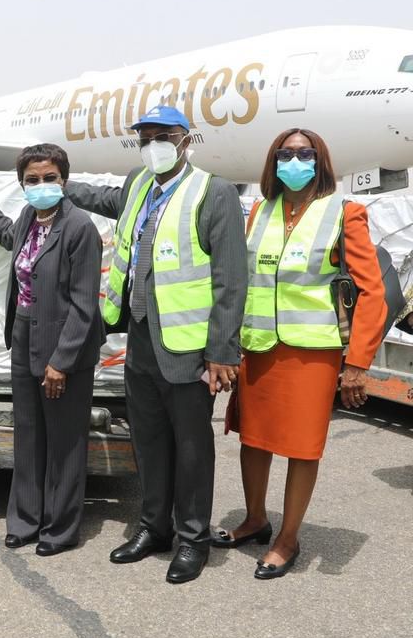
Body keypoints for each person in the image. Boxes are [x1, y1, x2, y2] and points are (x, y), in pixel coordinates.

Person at [62, 104, 247, 583]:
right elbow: (103, 198)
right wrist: (55, 183)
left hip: (187, 345)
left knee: (190, 446)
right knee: (147, 440)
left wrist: (222, 352)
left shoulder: (213, 192)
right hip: (141, 337)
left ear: (187, 139)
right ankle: (153, 527)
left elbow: (231, 279)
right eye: (144, 138)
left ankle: (192, 539)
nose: (152, 146)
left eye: (162, 136)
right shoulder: (137, 184)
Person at [216, 129, 386, 578]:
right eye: (285, 154)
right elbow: (242, 282)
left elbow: (374, 293)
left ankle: (288, 538)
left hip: (311, 353)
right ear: (273, 162)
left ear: (319, 160)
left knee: (301, 447)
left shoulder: (345, 212)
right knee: (253, 440)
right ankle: (255, 519)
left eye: (303, 154)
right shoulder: (259, 210)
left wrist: (358, 364)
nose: (294, 161)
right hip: (256, 348)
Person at [0, 144, 104, 556]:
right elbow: (9, 235)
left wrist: (62, 361)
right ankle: (24, 521)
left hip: (63, 344)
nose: (41, 185)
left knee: (64, 440)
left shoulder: (80, 228)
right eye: (32, 180)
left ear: (64, 180)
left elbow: (84, 304)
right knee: (28, 434)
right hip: (23, 336)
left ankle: (59, 529)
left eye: (49, 178)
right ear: (23, 184)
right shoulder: (28, 217)